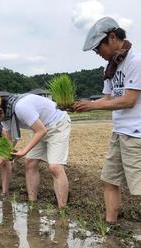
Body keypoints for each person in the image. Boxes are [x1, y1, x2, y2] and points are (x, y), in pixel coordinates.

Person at [74, 17, 141, 224]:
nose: (97, 53)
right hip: (119, 132)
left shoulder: (135, 62)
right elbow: (108, 98)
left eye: (98, 48)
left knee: (138, 188)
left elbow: (129, 100)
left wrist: (93, 106)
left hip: (136, 134)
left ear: (112, 38)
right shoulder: (113, 67)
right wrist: (83, 104)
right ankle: (110, 225)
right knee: (109, 180)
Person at [0, 93, 71, 208]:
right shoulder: (6, 116)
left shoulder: (22, 107)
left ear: (0, 110)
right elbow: (9, 142)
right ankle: (32, 204)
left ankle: (62, 209)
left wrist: (24, 151)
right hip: (40, 127)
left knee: (55, 167)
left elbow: (41, 131)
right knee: (30, 162)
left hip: (57, 124)